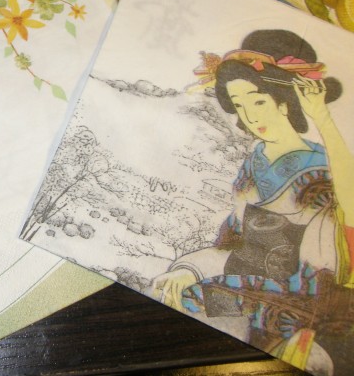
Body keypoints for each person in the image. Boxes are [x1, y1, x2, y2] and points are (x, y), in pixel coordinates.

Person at [150, 29, 354, 373]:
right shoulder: (254, 162)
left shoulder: (322, 167)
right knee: (174, 292)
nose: (251, 117)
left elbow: (316, 264)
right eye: (240, 105)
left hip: (305, 299)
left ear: (285, 102)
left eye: (258, 101)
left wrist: (323, 119)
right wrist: (189, 269)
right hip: (252, 285)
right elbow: (237, 244)